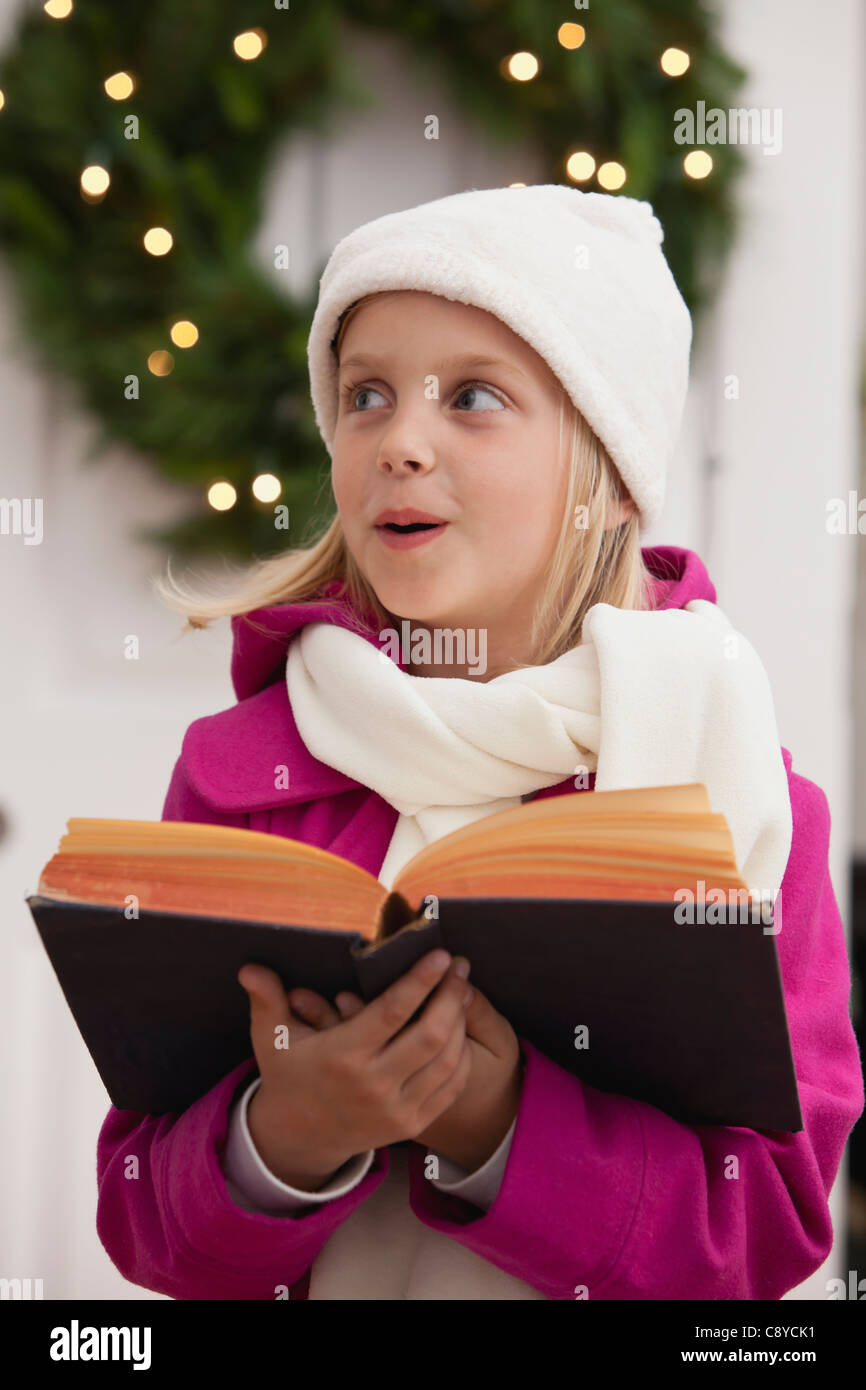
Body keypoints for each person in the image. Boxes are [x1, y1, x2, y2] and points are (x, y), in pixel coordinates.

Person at [96, 185, 864, 1300]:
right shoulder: (246, 773)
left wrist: (496, 1123)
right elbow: (139, 1207)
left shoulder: (734, 785)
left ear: (602, 479)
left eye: (470, 396)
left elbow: (769, 1222)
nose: (399, 440)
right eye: (364, 395)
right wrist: (284, 1138)